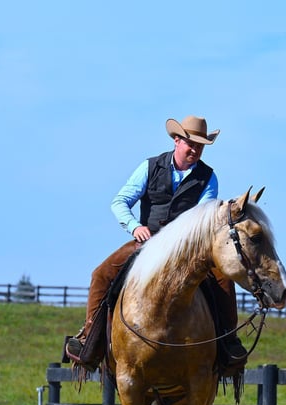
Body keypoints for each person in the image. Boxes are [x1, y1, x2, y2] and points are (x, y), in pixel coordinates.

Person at [65, 115, 247, 378]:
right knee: (101, 274)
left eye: (200, 146)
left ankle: (228, 343)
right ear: (177, 140)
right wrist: (135, 227)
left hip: (187, 251)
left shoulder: (209, 178)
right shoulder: (149, 167)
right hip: (146, 244)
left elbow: (203, 218)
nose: (195, 150)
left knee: (223, 279)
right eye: (190, 143)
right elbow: (120, 201)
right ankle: (89, 341)